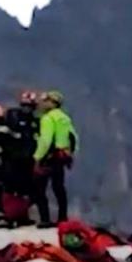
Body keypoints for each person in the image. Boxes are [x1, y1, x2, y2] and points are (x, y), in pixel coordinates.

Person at [33, 90, 78, 226]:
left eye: (46, 101)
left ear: (52, 103)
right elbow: (74, 137)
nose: (43, 103)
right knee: (59, 187)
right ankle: (62, 217)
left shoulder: (48, 118)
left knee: (39, 188)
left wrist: (37, 157)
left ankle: (45, 219)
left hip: (49, 157)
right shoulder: (65, 118)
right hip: (62, 157)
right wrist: (71, 154)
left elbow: (45, 140)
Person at [2, 92, 40, 225]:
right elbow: (3, 137)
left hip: (28, 161)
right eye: (25, 105)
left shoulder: (36, 122)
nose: (27, 109)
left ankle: (22, 216)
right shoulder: (12, 117)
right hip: (13, 160)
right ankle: (10, 216)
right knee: (12, 189)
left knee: (27, 190)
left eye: (30, 106)